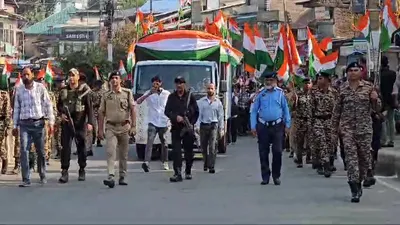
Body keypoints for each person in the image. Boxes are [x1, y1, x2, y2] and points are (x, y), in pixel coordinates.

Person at [332, 62, 380, 203]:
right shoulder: (342, 89)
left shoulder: (368, 88)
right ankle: (354, 187)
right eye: (350, 70)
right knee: (351, 159)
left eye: (356, 70)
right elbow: (336, 111)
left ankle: (364, 177)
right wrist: (334, 130)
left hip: (364, 129)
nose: (353, 72)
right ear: (347, 73)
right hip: (347, 130)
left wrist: (375, 99)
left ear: (361, 72)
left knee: (364, 157)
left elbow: (377, 109)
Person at [12, 67, 54, 187]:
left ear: (32, 75)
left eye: (28, 74)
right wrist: (15, 125)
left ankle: (42, 175)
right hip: (24, 124)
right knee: (24, 151)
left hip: (38, 124)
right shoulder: (19, 90)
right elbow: (16, 109)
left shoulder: (40, 88)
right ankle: (26, 179)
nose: (26, 77)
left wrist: (51, 122)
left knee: (40, 151)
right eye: (23, 75)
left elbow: (48, 105)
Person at [250, 72, 290, 186]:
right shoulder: (260, 94)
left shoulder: (280, 94)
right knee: (263, 152)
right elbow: (253, 111)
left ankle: (276, 176)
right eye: (267, 80)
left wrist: (287, 124)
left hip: (277, 126)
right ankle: (265, 176)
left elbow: (285, 110)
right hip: (263, 126)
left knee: (277, 151)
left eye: (271, 80)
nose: (268, 82)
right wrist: (253, 126)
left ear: (275, 81)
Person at [98, 71, 136, 188]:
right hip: (111, 127)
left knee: (123, 154)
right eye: (112, 78)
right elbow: (101, 113)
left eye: (116, 78)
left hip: (124, 127)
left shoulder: (127, 93)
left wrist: (134, 126)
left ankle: (122, 176)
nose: (114, 80)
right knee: (110, 152)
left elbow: (133, 109)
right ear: (109, 81)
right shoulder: (106, 95)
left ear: (120, 80)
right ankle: (110, 175)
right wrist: (100, 130)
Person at [57, 68, 93, 183]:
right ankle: (64, 171)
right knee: (65, 147)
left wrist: (90, 123)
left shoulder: (84, 90)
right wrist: (61, 115)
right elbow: (59, 106)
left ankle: (82, 168)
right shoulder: (64, 91)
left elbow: (89, 108)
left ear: (78, 77)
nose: (71, 78)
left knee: (81, 147)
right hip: (67, 123)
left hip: (80, 122)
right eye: (70, 75)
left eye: (73, 75)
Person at [164, 76, 199, 182]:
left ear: (185, 84)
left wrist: (191, 123)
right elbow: (167, 111)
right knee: (176, 152)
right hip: (176, 128)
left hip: (187, 129)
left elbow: (197, 112)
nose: (179, 85)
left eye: (181, 83)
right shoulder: (171, 97)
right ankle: (177, 173)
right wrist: (175, 117)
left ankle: (188, 171)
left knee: (189, 151)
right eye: (177, 83)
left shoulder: (190, 97)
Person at [136, 76, 170, 172]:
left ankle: (165, 162)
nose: (156, 85)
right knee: (149, 142)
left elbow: (171, 104)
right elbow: (138, 102)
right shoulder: (149, 93)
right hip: (152, 121)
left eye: (157, 83)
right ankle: (146, 162)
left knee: (164, 143)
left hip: (163, 121)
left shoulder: (166, 94)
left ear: (160, 83)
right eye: (154, 83)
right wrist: (149, 93)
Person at [310, 72, 338, 177]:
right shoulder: (314, 93)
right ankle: (325, 166)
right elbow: (311, 109)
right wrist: (311, 124)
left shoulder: (334, 93)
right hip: (318, 120)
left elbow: (338, 109)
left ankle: (329, 161)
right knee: (321, 142)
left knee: (331, 143)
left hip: (330, 121)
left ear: (327, 79)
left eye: (321, 78)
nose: (318, 80)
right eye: (318, 78)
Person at [196, 83, 224, 173]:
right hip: (204, 125)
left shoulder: (218, 102)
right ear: (206, 90)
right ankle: (206, 162)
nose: (210, 90)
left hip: (213, 125)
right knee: (203, 147)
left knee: (212, 147)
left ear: (215, 89)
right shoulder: (201, 102)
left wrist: (221, 128)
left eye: (212, 88)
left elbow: (221, 116)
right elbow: (198, 115)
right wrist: (197, 126)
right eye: (208, 88)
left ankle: (211, 166)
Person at [292, 77, 312, 167]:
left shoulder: (314, 95)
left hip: (310, 120)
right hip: (300, 120)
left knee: (310, 141)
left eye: (309, 83)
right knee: (299, 141)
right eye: (305, 83)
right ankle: (299, 159)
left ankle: (309, 158)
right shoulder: (298, 95)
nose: (307, 85)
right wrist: (293, 100)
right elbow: (293, 108)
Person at [379, 56, 396, 147]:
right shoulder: (393, 73)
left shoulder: (380, 75)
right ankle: (391, 140)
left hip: (383, 100)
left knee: (383, 121)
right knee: (391, 120)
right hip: (392, 99)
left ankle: (384, 140)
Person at [0, 73, 11, 174]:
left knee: (1, 144)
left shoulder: (4, 94)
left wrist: (7, 125)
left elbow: (7, 111)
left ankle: (4, 162)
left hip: (1, 122)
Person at [91, 80, 104, 148]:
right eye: (99, 85)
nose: (100, 86)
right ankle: (93, 138)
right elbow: (89, 102)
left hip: (100, 111)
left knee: (100, 127)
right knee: (93, 126)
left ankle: (99, 141)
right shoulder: (91, 92)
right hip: (93, 110)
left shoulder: (103, 92)